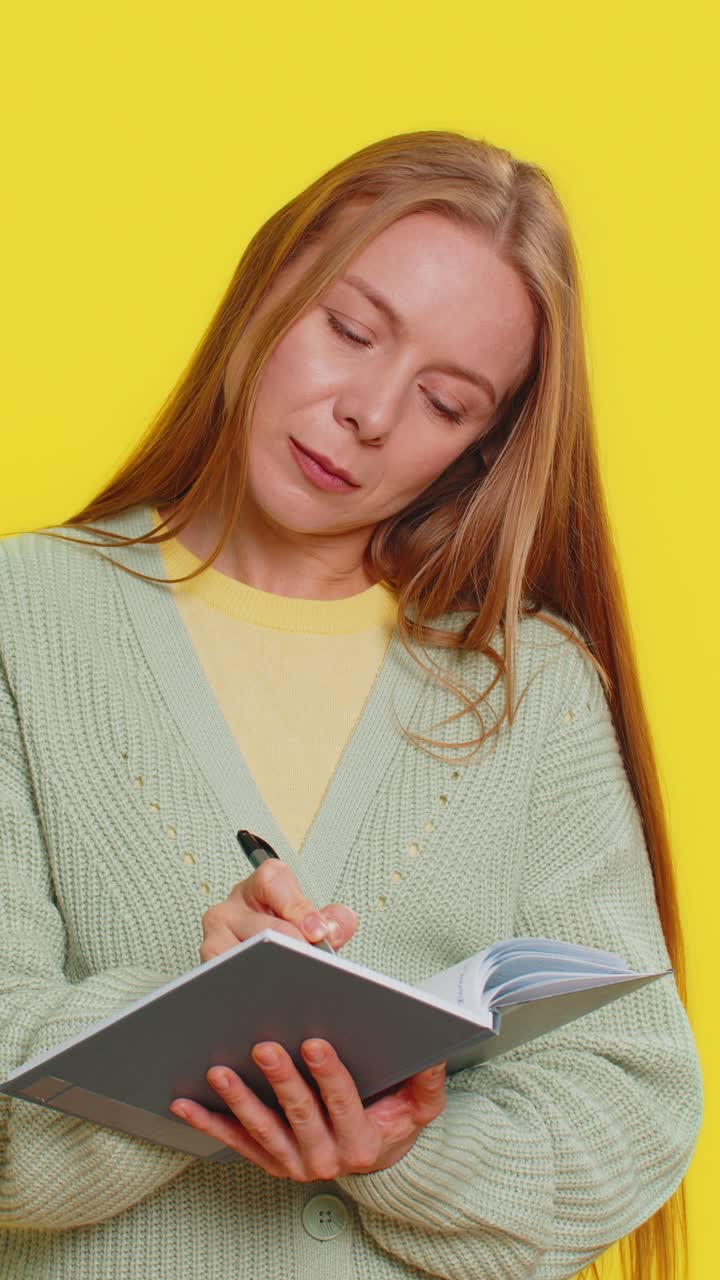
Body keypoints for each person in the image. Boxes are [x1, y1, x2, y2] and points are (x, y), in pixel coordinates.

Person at [0, 129, 703, 1280]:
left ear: (482, 447)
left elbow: (631, 1104)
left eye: (445, 400)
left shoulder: (533, 686)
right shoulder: (22, 619)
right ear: (268, 285)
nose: (370, 412)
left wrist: (407, 1147)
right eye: (351, 329)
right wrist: (201, 1019)